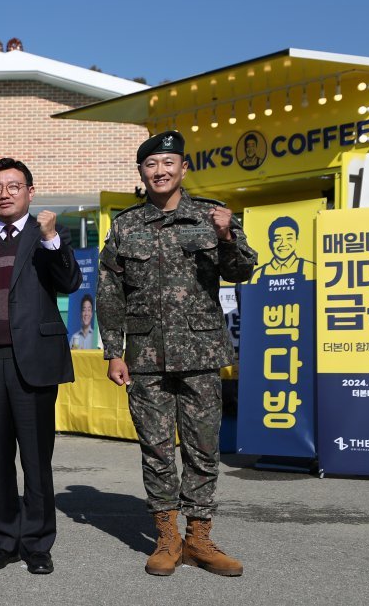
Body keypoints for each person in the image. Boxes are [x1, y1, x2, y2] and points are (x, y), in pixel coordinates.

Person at [97, 131, 257, 578]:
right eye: (152, 164)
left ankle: (200, 538)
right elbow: (110, 293)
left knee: (205, 448)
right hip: (146, 356)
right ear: (142, 173)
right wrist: (114, 351)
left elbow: (243, 269)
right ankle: (168, 538)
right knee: (157, 449)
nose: (160, 171)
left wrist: (227, 235)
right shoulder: (126, 225)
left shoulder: (212, 216)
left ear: (184, 168)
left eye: (169, 163)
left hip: (201, 354)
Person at [0, 158, 81, 575]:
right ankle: (4, 540)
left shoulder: (44, 236)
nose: (4, 193)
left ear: (29, 191)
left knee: (36, 458)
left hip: (35, 362)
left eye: (13, 186)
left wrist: (51, 238)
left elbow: (70, 282)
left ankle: (38, 544)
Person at [250, 215, 314, 283]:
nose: (283, 244)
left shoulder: (310, 269)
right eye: (278, 239)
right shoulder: (257, 274)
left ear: (296, 241)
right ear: (270, 244)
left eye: (289, 238)